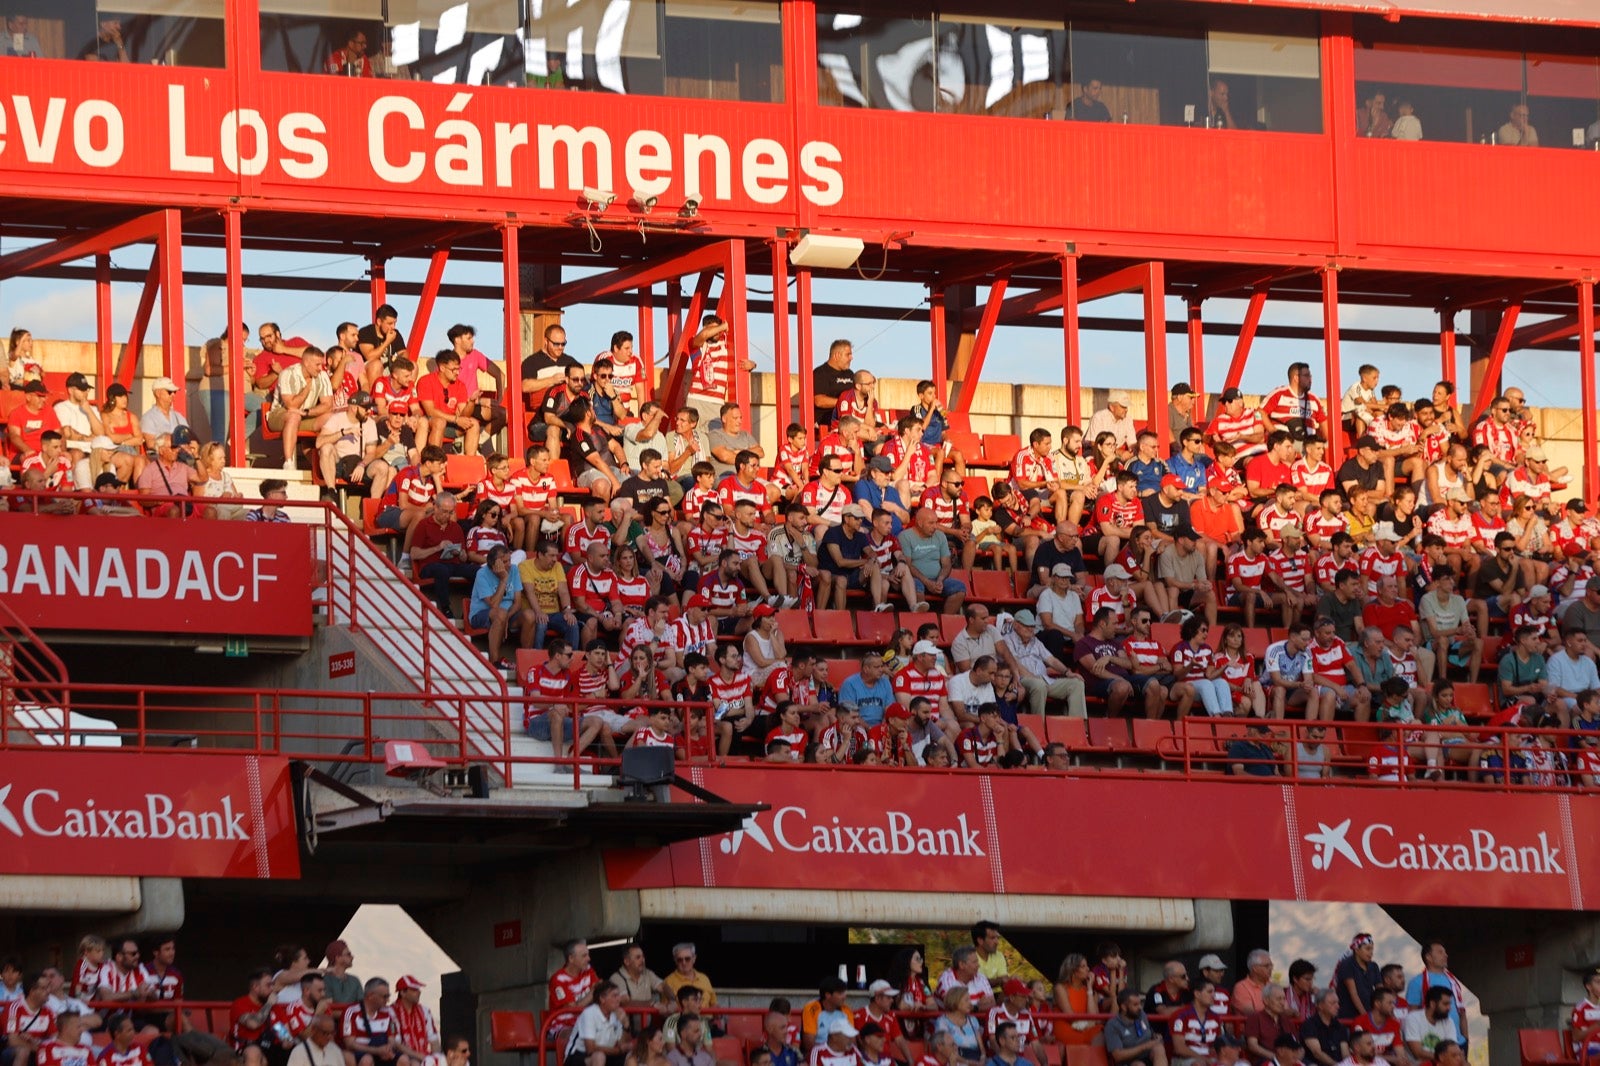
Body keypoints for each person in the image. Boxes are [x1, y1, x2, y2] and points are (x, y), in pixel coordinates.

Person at [566, 984, 631, 1066]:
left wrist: (626, 1025)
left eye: (619, 995)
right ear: (602, 999)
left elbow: (622, 1044)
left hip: (607, 1054)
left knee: (631, 1057)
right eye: (614, 996)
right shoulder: (590, 1013)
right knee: (599, 1056)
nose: (619, 999)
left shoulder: (616, 1014)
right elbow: (590, 1049)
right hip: (577, 1056)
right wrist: (618, 1050)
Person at [1103, 988, 1166, 1066]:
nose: (1140, 1007)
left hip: (1148, 1055)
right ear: (1124, 1007)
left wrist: (1155, 1036)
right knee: (1138, 1065)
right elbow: (1118, 1056)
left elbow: (1149, 1032)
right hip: (1128, 1061)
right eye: (1135, 1005)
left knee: (1159, 1048)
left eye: (1140, 1004)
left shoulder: (1141, 1014)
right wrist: (1144, 1047)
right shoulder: (1112, 1025)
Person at [1300, 990, 1347, 1066]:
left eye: (1337, 1003)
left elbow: (1345, 1052)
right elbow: (1317, 1053)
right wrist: (1336, 1065)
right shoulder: (1309, 1025)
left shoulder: (1339, 1026)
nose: (1337, 1006)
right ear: (1320, 1005)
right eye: (1332, 1003)